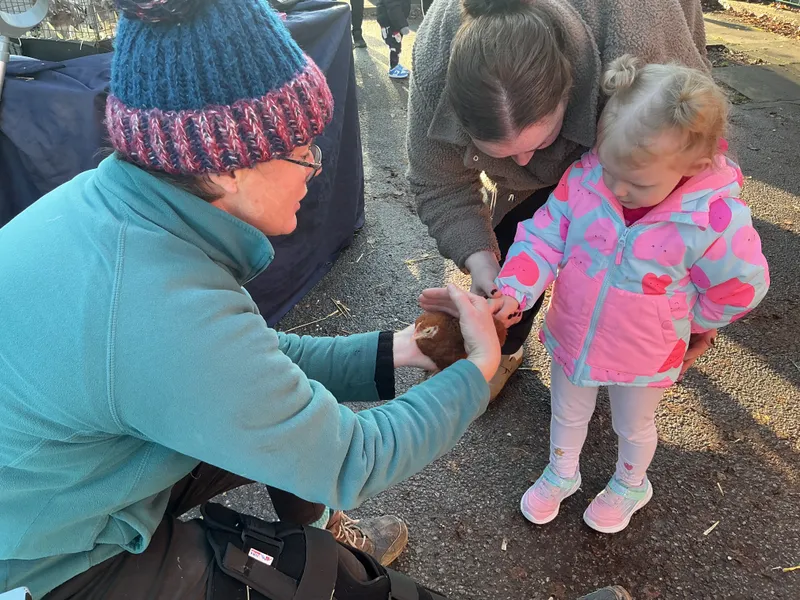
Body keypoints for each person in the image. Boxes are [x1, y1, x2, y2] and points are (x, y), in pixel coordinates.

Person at [0, 0, 505, 597]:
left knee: (288, 418)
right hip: (46, 559)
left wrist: (406, 349)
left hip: (77, 473)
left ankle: (322, 528)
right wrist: (476, 371)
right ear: (225, 166)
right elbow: (350, 458)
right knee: (308, 579)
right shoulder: (158, 308)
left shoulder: (125, 210)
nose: (316, 166)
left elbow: (255, 367)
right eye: (301, 148)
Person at [491, 56, 770, 533]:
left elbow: (743, 284)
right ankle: (562, 471)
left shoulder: (713, 219)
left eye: (637, 183)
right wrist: (515, 288)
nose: (618, 188)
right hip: (575, 333)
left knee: (633, 425)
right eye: (610, 169)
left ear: (693, 166)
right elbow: (543, 235)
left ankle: (630, 482)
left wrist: (690, 320)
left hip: (646, 350)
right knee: (567, 410)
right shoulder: (585, 179)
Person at [407, 0, 717, 401]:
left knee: (639, 249)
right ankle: (507, 344)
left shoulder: (640, 37)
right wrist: (481, 260)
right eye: (501, 154)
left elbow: (697, 147)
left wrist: (702, 306)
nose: (524, 163)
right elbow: (439, 183)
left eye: (540, 142)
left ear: (572, 91)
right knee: (514, 237)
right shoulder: (435, 50)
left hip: (627, 130)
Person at [376, 0, 412, 79]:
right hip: (390, 22)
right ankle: (393, 68)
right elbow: (393, 8)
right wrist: (402, 25)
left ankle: (395, 65)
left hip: (393, 21)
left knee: (396, 43)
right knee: (394, 45)